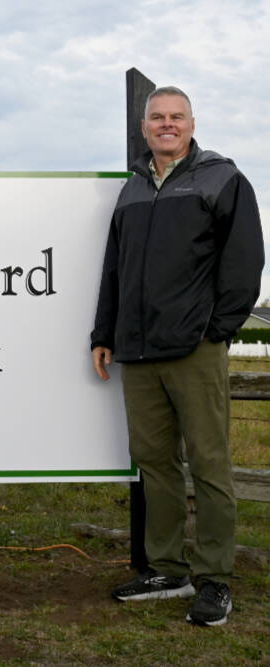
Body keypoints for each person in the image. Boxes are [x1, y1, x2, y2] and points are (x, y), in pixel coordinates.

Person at [91, 86, 264, 626]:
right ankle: (168, 568)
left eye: (177, 117)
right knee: (155, 462)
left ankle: (214, 579)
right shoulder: (133, 190)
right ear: (145, 128)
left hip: (195, 348)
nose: (167, 125)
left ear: (191, 124)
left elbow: (244, 262)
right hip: (137, 349)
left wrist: (216, 330)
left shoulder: (222, 179)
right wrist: (105, 331)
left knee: (209, 464)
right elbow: (114, 267)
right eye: (158, 118)